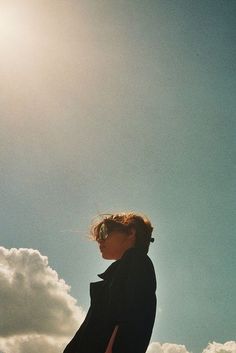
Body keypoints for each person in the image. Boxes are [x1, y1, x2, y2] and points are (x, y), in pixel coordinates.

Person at [63, 212, 157, 353]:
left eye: (104, 232)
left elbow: (133, 318)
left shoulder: (137, 261)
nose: (99, 241)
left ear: (131, 232)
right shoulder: (125, 269)